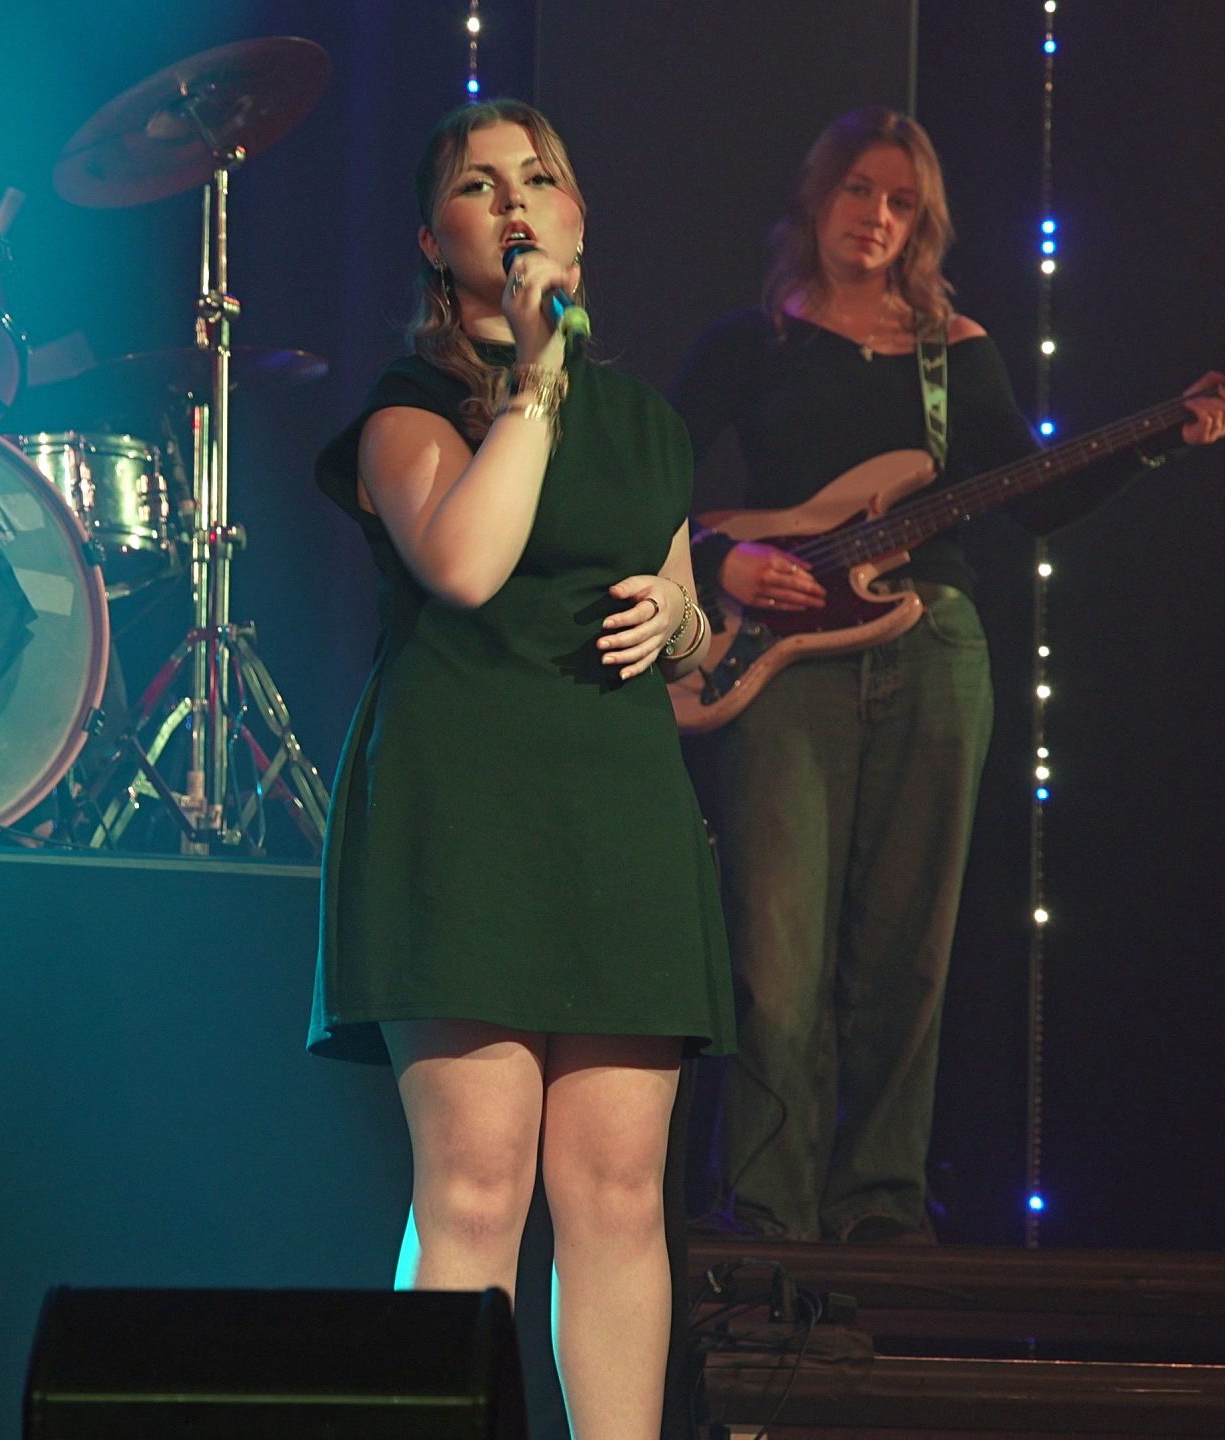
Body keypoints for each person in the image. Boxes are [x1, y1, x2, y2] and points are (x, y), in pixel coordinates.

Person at [669, 107, 1225, 1244]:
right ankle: (767, 1217)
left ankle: (880, 1210)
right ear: (817, 199)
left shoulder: (954, 349)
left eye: (902, 202)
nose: (876, 218)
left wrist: (1162, 436)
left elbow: (1035, 499)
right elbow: (643, 483)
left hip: (933, 649)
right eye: (859, 191)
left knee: (906, 957)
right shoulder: (750, 343)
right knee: (774, 960)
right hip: (785, 665)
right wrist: (717, 556)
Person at [309, 100, 737, 1439]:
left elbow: (686, 632)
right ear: (434, 241)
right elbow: (468, 563)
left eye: (538, 179)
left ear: (578, 222)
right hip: (463, 804)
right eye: (479, 186)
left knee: (615, 1192)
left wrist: (684, 621)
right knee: (478, 1185)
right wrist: (537, 384)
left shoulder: (649, 425)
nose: (513, 202)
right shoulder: (407, 411)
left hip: (616, 805)